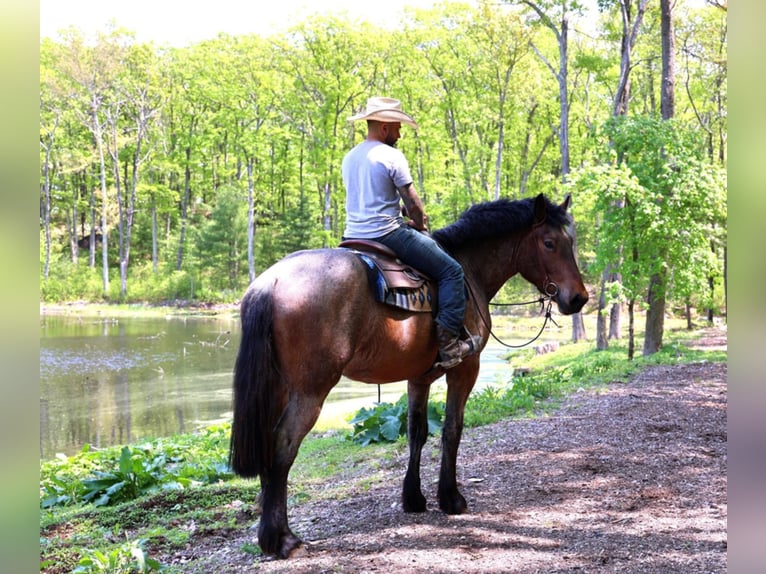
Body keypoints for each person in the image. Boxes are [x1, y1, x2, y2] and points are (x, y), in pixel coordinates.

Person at [342, 96, 481, 369]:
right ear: (384, 126)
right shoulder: (391, 155)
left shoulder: (350, 157)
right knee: (452, 271)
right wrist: (419, 222)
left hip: (352, 237)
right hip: (387, 234)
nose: (400, 133)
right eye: (397, 127)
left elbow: (370, 197)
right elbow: (413, 203)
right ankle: (449, 345)